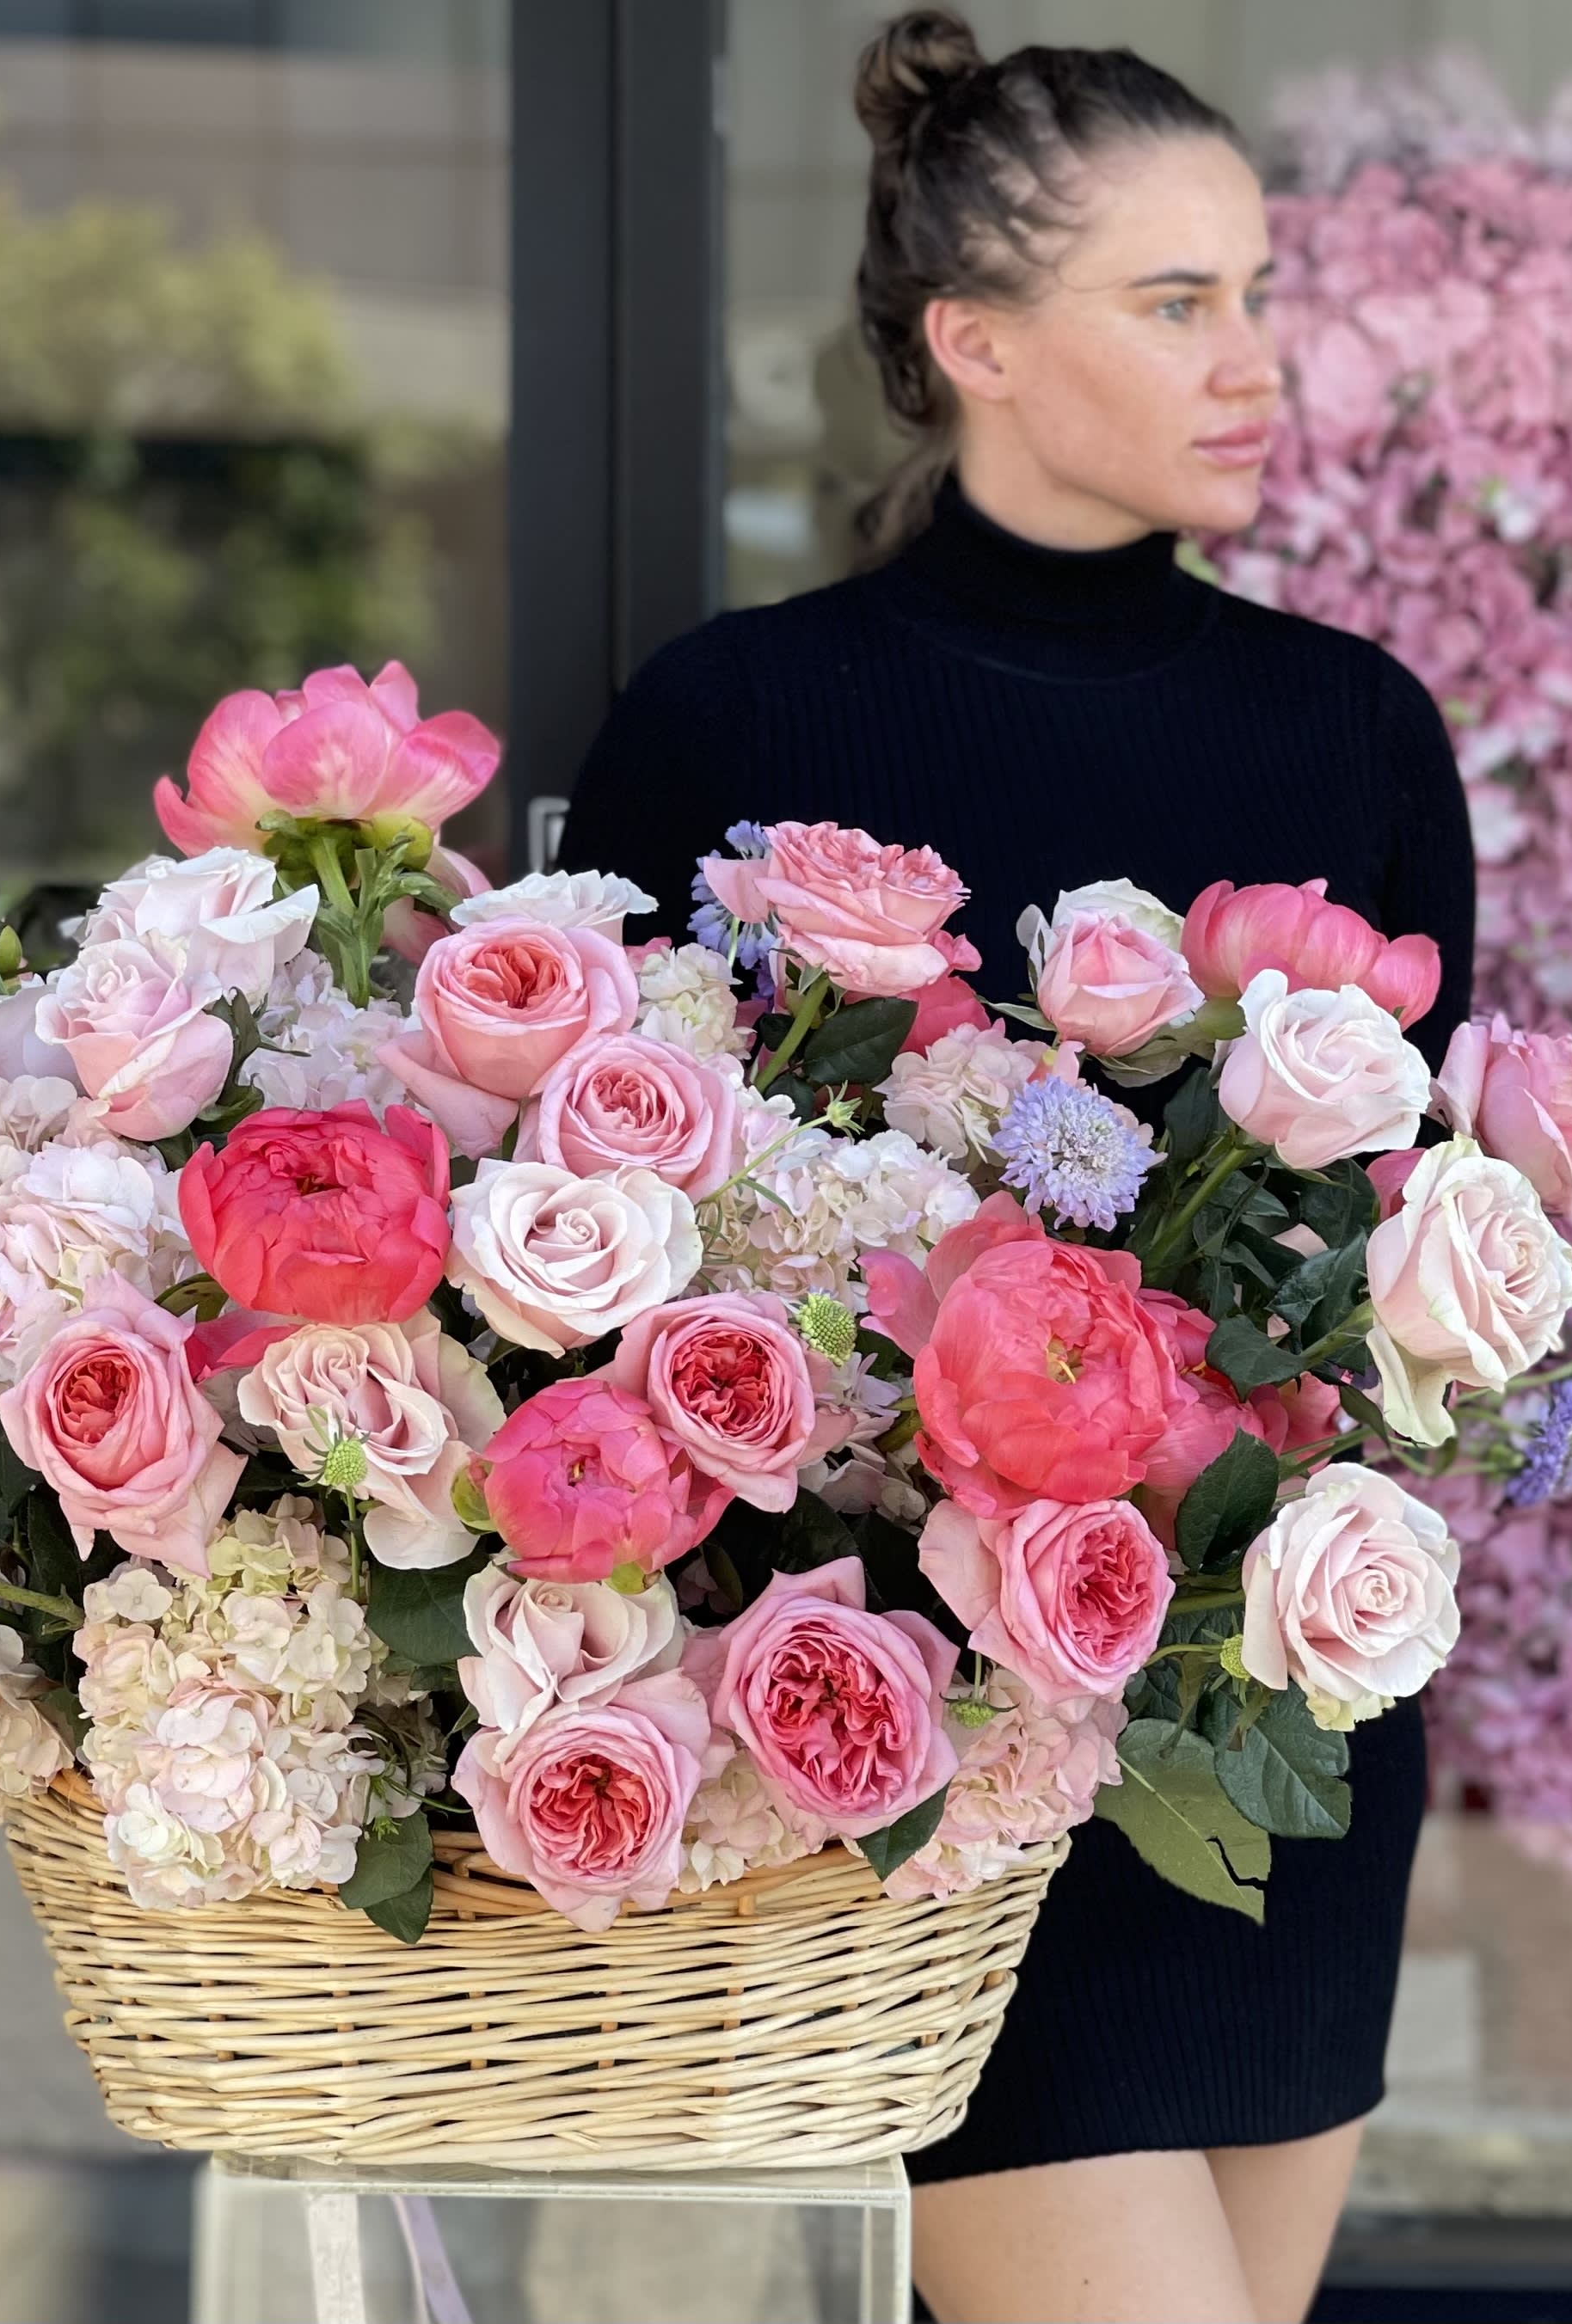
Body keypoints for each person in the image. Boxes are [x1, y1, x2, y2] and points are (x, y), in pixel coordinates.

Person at [555, 14, 1475, 2322]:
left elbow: (1403, 1270)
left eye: (1259, 294)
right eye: (1178, 305)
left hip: (1273, 1738)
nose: (1254, 358)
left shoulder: (1357, 730)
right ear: (971, 341)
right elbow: (610, 1270)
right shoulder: (734, 720)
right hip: (933, 1756)